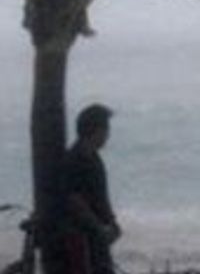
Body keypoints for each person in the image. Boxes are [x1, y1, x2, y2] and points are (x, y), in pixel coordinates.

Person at [62, 104, 121, 274]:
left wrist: (112, 222)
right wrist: (98, 227)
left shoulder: (94, 158)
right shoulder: (74, 159)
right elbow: (73, 198)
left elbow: (101, 196)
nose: (108, 135)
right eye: (106, 129)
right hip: (82, 236)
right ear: (95, 130)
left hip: (97, 236)